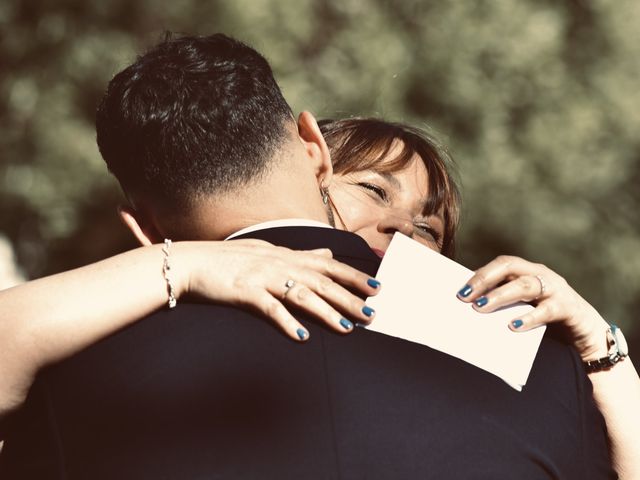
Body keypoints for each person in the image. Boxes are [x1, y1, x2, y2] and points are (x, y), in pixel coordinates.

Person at [0, 33, 623, 478]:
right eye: (374, 190)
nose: (400, 234)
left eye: (429, 229)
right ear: (317, 152)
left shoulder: (78, 360)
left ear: (143, 228)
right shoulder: (532, 361)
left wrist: (601, 344)